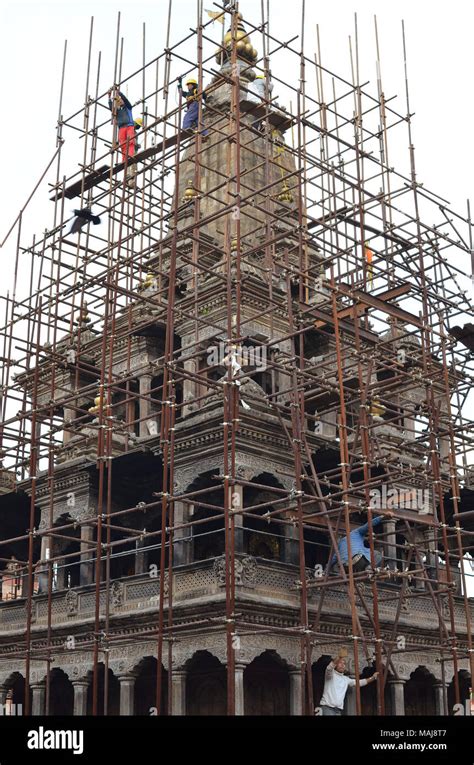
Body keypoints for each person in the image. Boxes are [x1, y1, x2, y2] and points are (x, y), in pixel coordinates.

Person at [319, 650, 379, 716]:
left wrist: (373, 677)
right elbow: (329, 668)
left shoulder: (345, 679)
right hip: (328, 708)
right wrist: (339, 657)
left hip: (338, 710)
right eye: (340, 663)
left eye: (344, 663)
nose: (342, 665)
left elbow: (359, 683)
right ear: (336, 665)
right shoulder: (330, 675)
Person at [108, 87, 137, 185]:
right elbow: (111, 108)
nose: (120, 101)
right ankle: (125, 162)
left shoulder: (128, 107)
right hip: (121, 128)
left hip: (129, 126)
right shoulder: (118, 111)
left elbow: (125, 99)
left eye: (120, 100)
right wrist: (109, 97)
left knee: (131, 142)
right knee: (123, 146)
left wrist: (118, 92)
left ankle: (130, 157)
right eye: (118, 101)